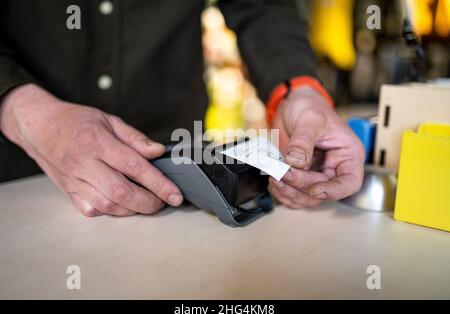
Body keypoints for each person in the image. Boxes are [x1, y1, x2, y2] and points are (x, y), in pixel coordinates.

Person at [0, 0, 364, 217]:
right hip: (20, 187)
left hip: (183, 181)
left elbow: (262, 5)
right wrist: (21, 108)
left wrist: (297, 90)